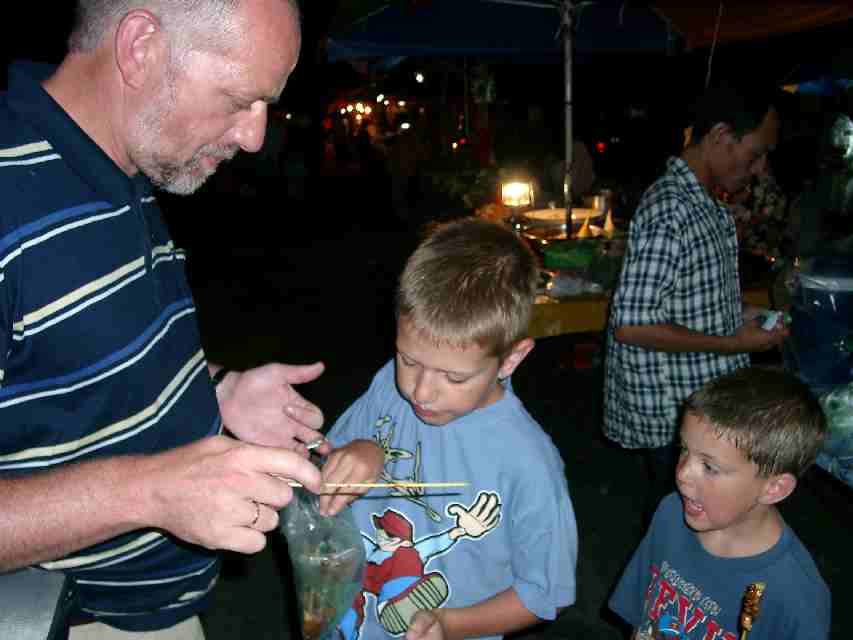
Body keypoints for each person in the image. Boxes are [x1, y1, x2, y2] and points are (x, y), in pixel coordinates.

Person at [0, 1, 336, 637]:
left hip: (159, 614)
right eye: (239, 99)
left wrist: (215, 387)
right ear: (141, 47)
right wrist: (151, 491)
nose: (255, 136)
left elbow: (69, 356)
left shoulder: (120, 166)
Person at [318, 217, 578, 640]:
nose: (421, 391)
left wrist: (451, 624)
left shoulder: (529, 463)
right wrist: (361, 448)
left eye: (453, 378)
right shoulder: (389, 383)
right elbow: (329, 455)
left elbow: (545, 593)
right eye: (409, 360)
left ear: (510, 360)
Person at [603, 83, 789, 525]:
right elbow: (632, 325)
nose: (760, 169)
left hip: (700, 403)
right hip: (673, 412)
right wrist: (734, 343)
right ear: (722, 137)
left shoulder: (702, 202)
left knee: (694, 516)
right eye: (756, 153)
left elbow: (691, 297)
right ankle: (663, 592)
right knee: (678, 518)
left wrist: (745, 317)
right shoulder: (672, 208)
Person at [609, 366, 831, 639]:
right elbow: (642, 617)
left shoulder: (796, 595)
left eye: (710, 467)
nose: (682, 474)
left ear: (774, 488)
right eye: (684, 450)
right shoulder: (670, 512)